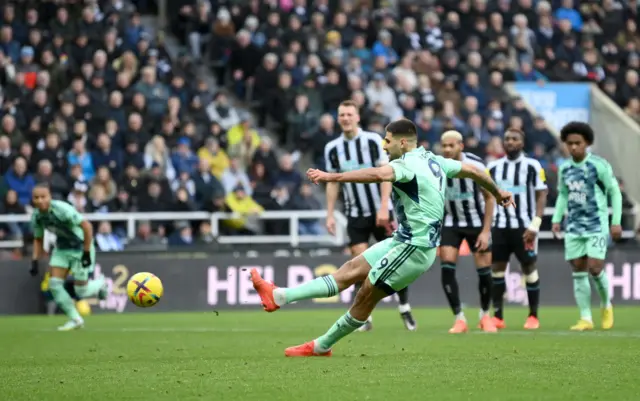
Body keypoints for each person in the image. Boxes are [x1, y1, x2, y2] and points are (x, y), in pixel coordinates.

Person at [250, 119, 514, 357]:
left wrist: (333, 177)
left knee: (366, 294)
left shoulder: (405, 165)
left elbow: (376, 174)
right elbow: (477, 172)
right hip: (403, 239)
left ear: (401, 142)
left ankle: (322, 345)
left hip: (416, 248)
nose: (384, 146)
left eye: (387, 141)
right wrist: (499, 191)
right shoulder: (434, 160)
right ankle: (280, 296)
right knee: (351, 269)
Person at [323, 99, 415, 331]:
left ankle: (404, 306)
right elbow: (333, 183)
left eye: (349, 114)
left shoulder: (374, 141)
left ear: (357, 117)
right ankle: (365, 317)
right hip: (355, 214)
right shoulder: (332, 149)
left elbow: (385, 175)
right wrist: (330, 214)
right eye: (341, 114)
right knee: (359, 265)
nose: (345, 118)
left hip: (380, 211)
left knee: (396, 259)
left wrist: (384, 207)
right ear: (338, 118)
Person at [551, 122, 621, 331]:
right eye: (569, 143)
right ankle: (585, 318)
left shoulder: (598, 165)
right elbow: (563, 194)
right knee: (578, 270)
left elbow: (614, 192)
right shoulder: (564, 169)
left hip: (596, 225)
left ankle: (606, 304)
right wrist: (556, 218)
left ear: (587, 143)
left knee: (595, 267)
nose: (573, 147)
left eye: (578, 143)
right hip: (573, 227)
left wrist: (615, 221)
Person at [486, 128, 548, 330]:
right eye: (507, 139)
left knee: (529, 267)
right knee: (497, 270)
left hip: (524, 228)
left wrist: (535, 224)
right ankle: (498, 317)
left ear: (522, 143)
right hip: (500, 227)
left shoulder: (532, 166)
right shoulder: (493, 167)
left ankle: (533, 316)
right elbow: (486, 196)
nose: (510, 142)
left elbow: (541, 194)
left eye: (515, 139)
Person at [438, 131, 497, 333]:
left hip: (476, 222)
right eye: (444, 146)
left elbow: (490, 198)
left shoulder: (477, 166)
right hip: (451, 221)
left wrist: (485, 231)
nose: (446, 150)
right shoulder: (437, 166)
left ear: (461, 146)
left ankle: (485, 315)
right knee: (446, 268)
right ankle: (459, 318)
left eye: (451, 146)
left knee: (484, 271)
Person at [30, 183, 107, 331]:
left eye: (43, 197)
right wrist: (34, 260)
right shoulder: (37, 217)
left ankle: (101, 285)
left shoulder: (62, 209)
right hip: (62, 249)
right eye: (36, 197)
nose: (40, 200)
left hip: (80, 247)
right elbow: (38, 238)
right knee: (54, 285)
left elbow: (87, 226)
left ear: (50, 197)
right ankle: (75, 319)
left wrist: (86, 252)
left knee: (80, 291)